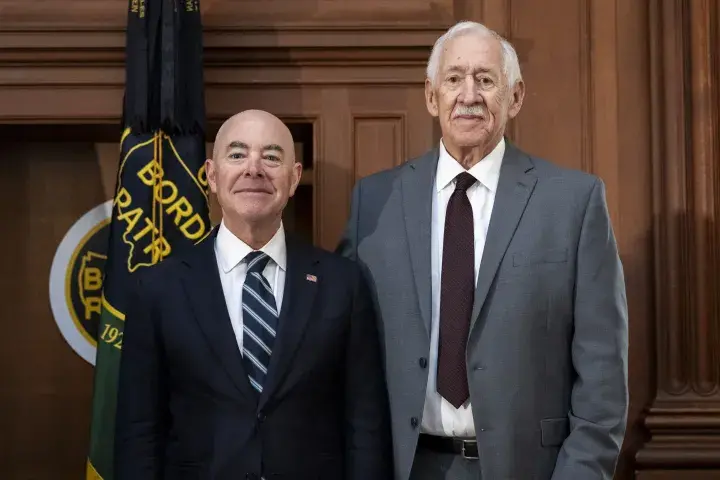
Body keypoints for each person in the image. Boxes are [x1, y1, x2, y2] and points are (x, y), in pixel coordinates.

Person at [337, 21, 628, 480]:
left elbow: (603, 376)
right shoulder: (375, 202)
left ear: (514, 97)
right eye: (454, 78)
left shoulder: (573, 202)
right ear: (432, 97)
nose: (468, 94)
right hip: (404, 467)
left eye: (485, 79)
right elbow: (343, 352)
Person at [115, 109, 392, 479]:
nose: (254, 169)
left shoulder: (344, 284)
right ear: (212, 176)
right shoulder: (158, 289)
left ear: (293, 179)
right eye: (237, 154)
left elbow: (365, 425)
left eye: (272, 156)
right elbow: (138, 432)